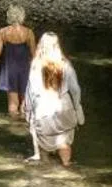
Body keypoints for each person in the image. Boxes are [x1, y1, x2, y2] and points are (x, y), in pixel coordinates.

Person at [23, 32, 83, 166]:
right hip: (65, 109)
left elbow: (31, 92)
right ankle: (66, 167)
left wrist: (28, 110)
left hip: (44, 111)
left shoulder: (36, 65)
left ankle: (47, 175)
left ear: (41, 45)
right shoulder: (66, 64)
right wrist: (77, 107)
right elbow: (75, 89)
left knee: (44, 145)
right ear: (57, 46)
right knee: (64, 142)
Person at [0, 5, 37, 117]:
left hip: (9, 71)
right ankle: (24, 127)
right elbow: (34, 55)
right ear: (22, 16)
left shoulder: (3, 32)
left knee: (12, 104)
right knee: (25, 102)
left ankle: (14, 127)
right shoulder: (28, 33)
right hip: (25, 69)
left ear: (9, 16)